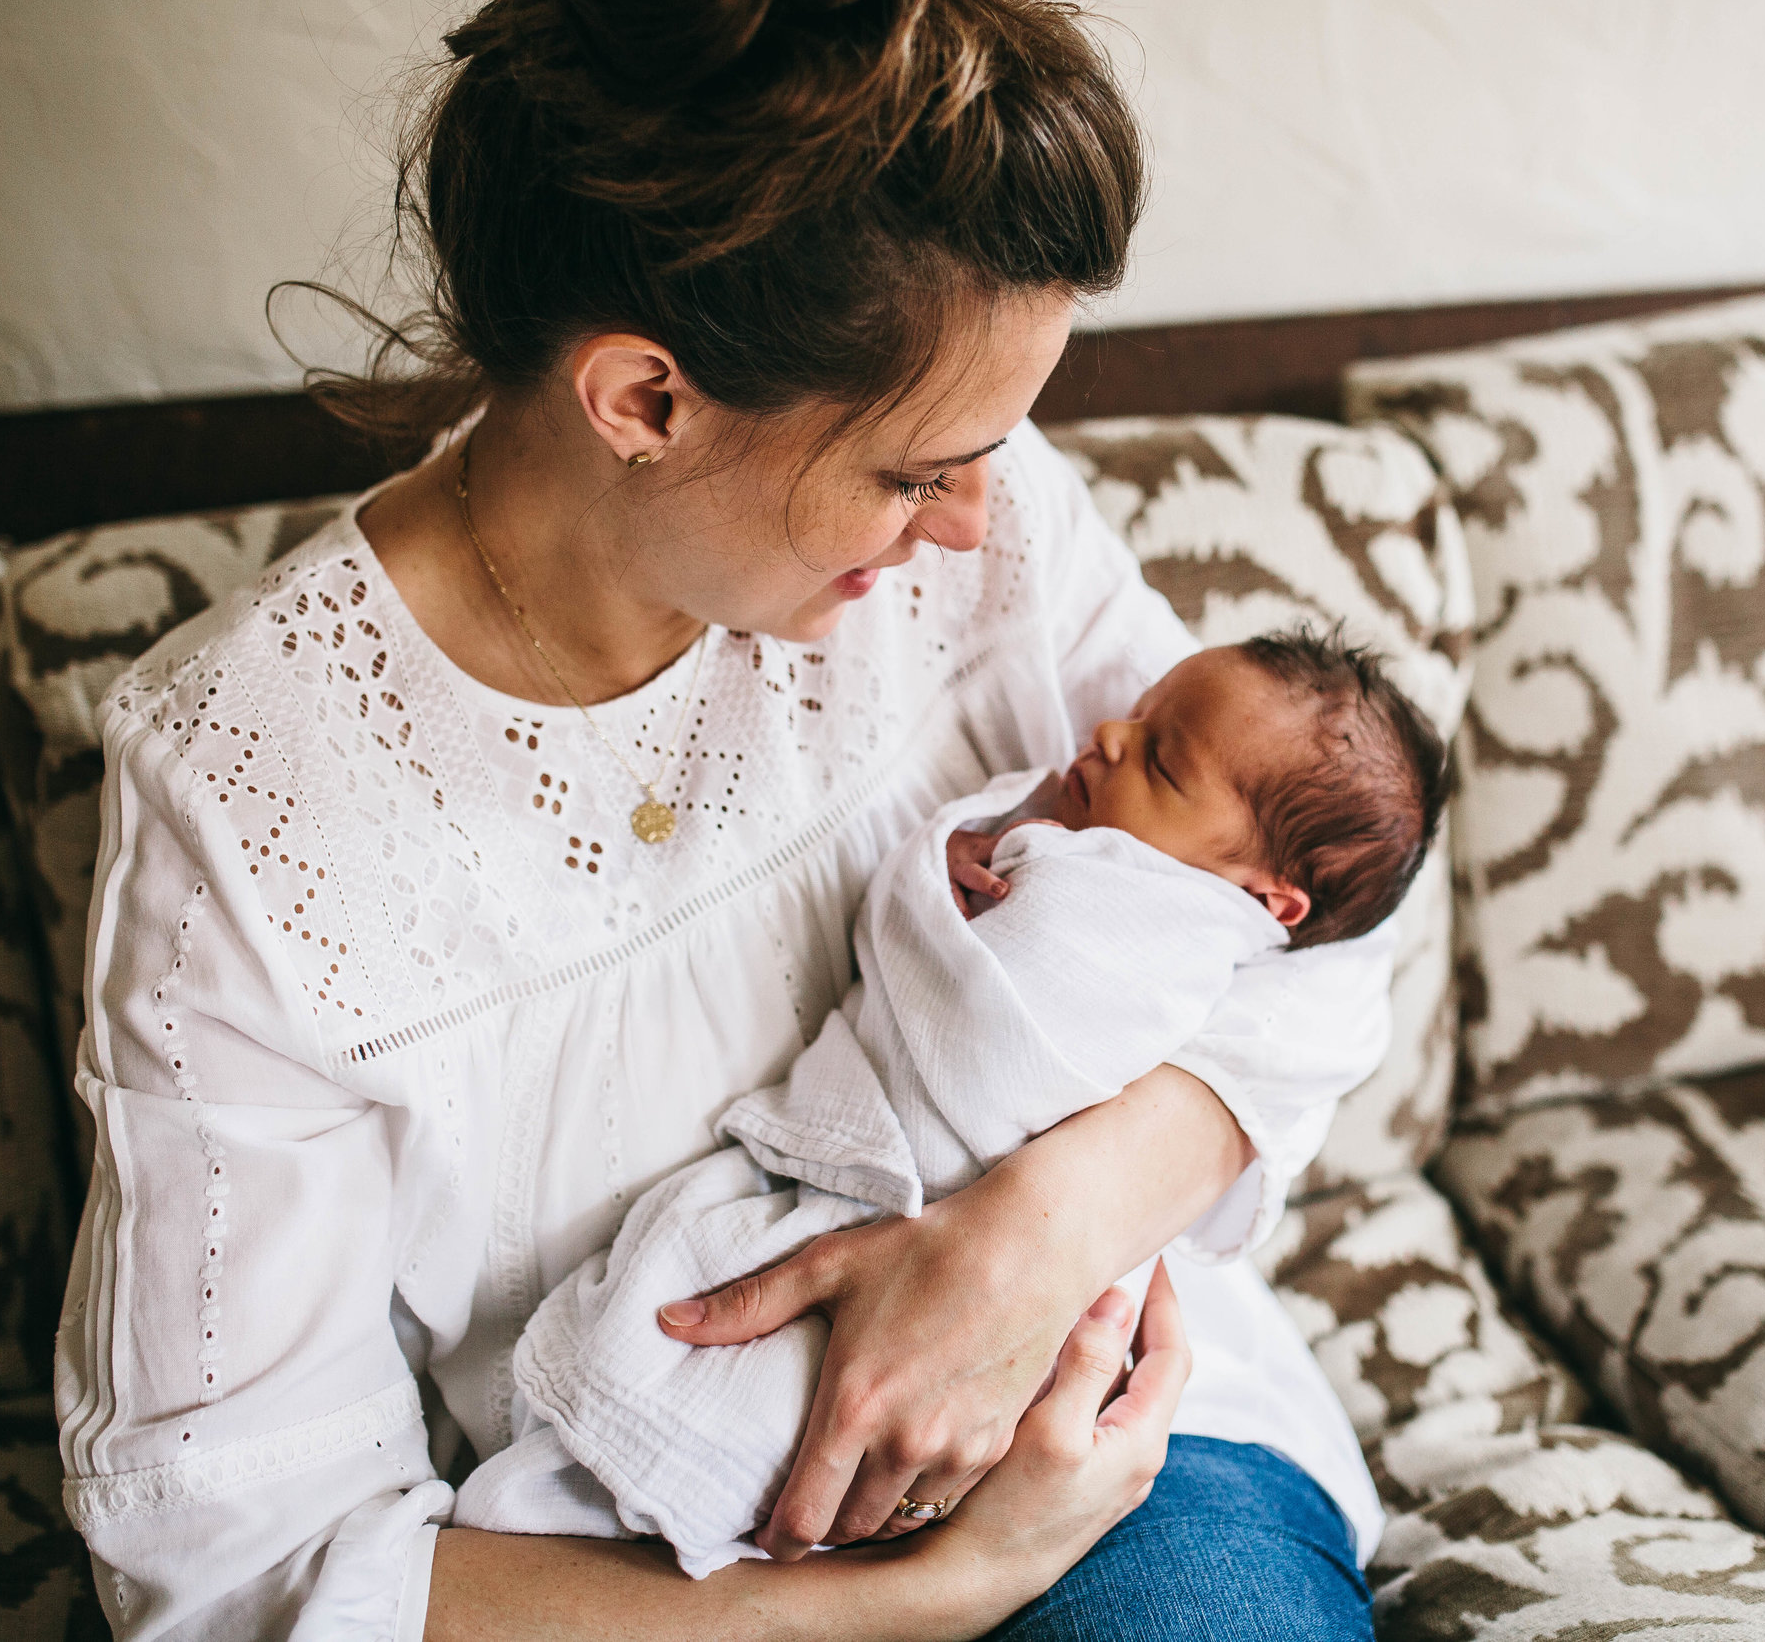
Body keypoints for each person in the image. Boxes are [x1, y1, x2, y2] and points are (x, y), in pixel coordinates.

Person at [55, 0, 1395, 1636]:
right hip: (629, 1542)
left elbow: (1314, 921)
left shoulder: (978, 530)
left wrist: (1031, 1237)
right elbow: (241, 1565)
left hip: (1098, 1433)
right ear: (645, 400)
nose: (980, 522)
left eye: (997, 445)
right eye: (918, 469)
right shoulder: (260, 802)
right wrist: (915, 1598)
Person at [450, 633, 1448, 1573]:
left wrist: (1045, 1220)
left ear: (1268, 904)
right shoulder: (1129, 829)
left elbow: (978, 1039)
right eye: (1139, 717)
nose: (1108, 735)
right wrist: (990, 842)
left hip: (1135, 1404)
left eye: (1160, 760)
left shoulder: (1161, 919)